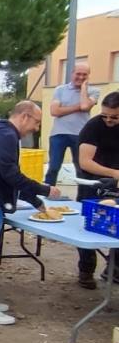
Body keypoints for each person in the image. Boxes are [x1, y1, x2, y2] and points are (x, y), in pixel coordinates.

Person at [0, 101, 60, 325]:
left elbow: (7, 176)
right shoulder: (6, 136)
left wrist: (36, 201)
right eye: (36, 122)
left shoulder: (1, 133)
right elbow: (11, 175)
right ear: (25, 116)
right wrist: (44, 189)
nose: (36, 128)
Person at [75, 92, 119, 290]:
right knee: (87, 228)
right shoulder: (93, 126)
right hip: (93, 182)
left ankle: (114, 267)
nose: (108, 120)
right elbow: (85, 162)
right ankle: (86, 270)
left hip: (116, 183)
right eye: (105, 115)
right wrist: (115, 174)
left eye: (114, 117)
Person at [45, 62, 101, 186]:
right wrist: (78, 107)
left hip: (81, 135)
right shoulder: (60, 89)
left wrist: (83, 89)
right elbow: (54, 111)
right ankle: (47, 193)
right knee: (53, 167)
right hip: (58, 134)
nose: (81, 77)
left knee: (81, 169)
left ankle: (82, 198)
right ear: (72, 74)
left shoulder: (94, 91)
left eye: (84, 75)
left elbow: (85, 105)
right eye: (78, 74)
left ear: (89, 76)